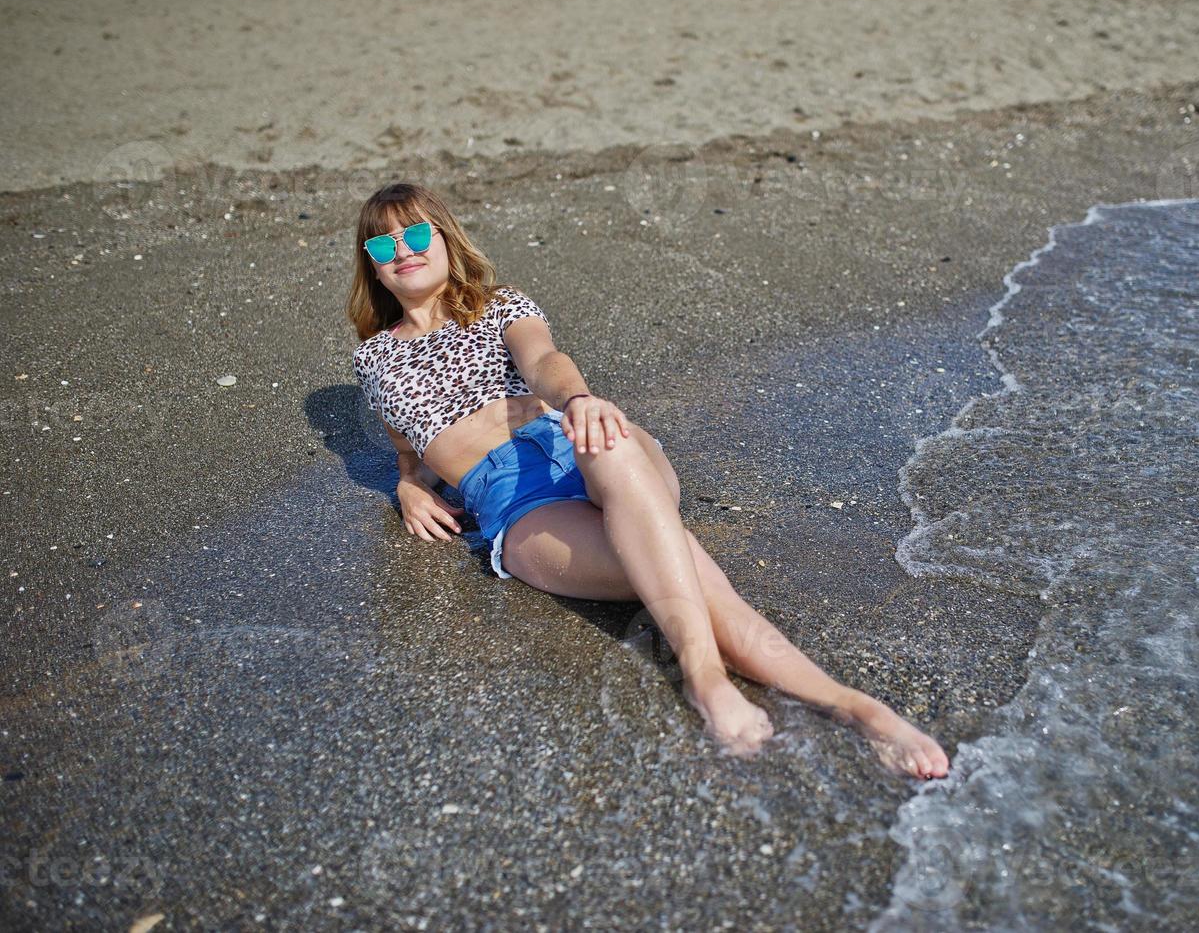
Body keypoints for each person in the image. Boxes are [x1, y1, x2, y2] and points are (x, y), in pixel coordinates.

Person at [347, 181, 950, 780]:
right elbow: (407, 437)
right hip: (516, 501)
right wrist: (410, 482)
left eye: (419, 232)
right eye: (385, 245)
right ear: (372, 266)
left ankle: (704, 677)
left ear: (446, 239)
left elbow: (543, 362)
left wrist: (578, 399)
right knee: (686, 573)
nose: (405, 250)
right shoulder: (373, 357)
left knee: (610, 443)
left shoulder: (502, 305)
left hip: (579, 441)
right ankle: (855, 706)